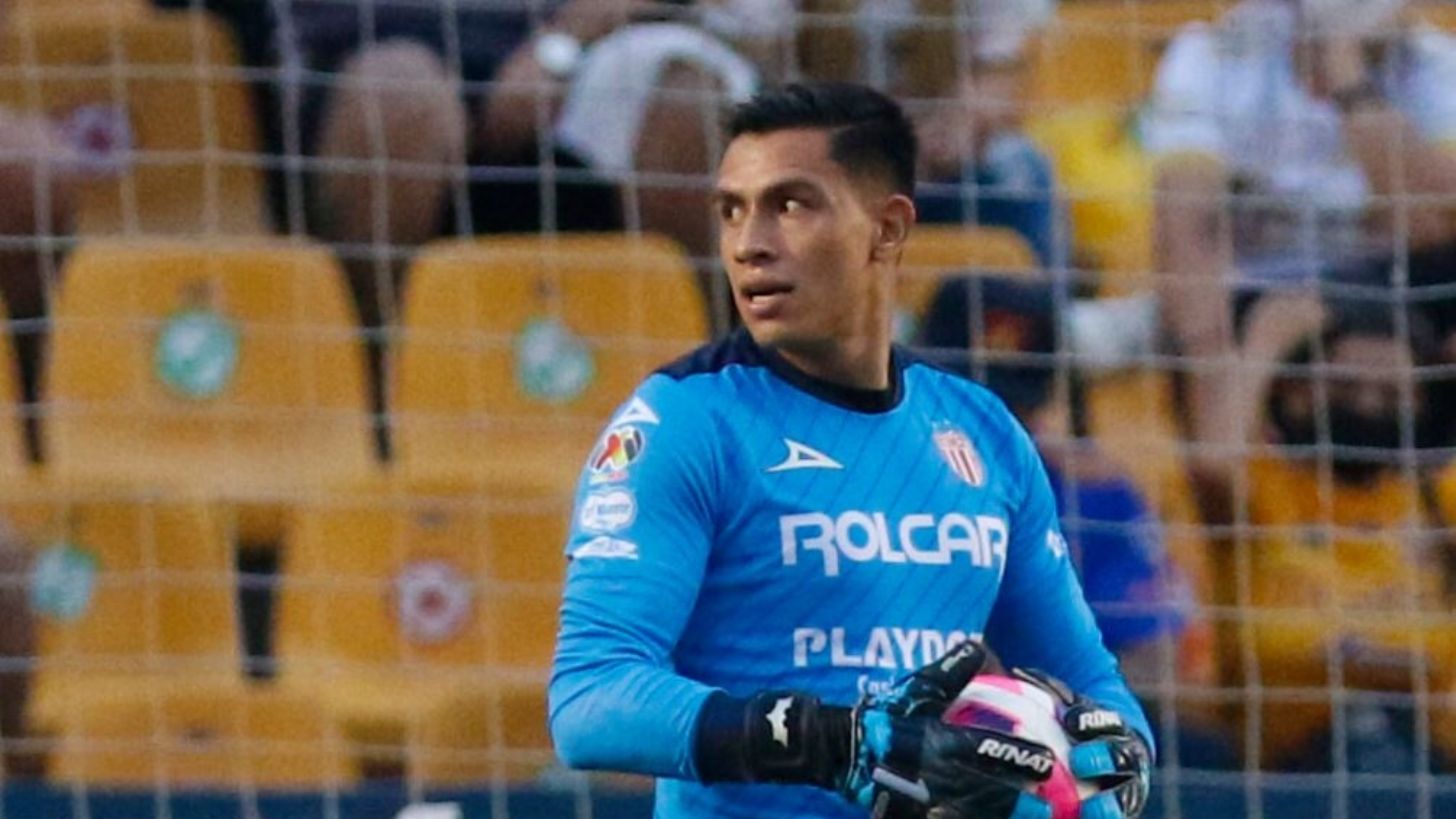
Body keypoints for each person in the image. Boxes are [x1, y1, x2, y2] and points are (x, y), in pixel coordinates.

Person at [549, 82, 1152, 819]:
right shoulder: (684, 422)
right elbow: (589, 699)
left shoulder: (984, 432)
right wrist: (832, 741)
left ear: (887, 230)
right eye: (732, 210)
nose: (749, 243)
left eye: (790, 205)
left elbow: (1091, 681)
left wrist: (1120, 758)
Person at [916, 274, 1236, 771]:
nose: (993, 421)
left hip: (1057, 728)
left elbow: (1160, 659)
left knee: (1191, 755)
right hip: (910, 720)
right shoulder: (877, 481)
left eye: (1017, 404)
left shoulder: (1095, 489)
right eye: (971, 400)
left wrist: (1040, 706)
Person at [1160, 249, 1456, 772]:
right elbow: (1212, 463)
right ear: (1293, 390)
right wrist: (1269, 337)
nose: (1368, 406)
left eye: (1392, 395)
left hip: (1424, 762)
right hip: (1279, 770)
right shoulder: (1261, 487)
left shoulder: (1434, 499)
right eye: (1343, 387)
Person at [1146, 0, 1456, 301]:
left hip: (1382, 298)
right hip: (1245, 294)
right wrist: (1214, 338)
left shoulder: (1438, 61)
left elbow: (1431, 231)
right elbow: (1184, 235)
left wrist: (1350, 81)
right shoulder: (1210, 53)